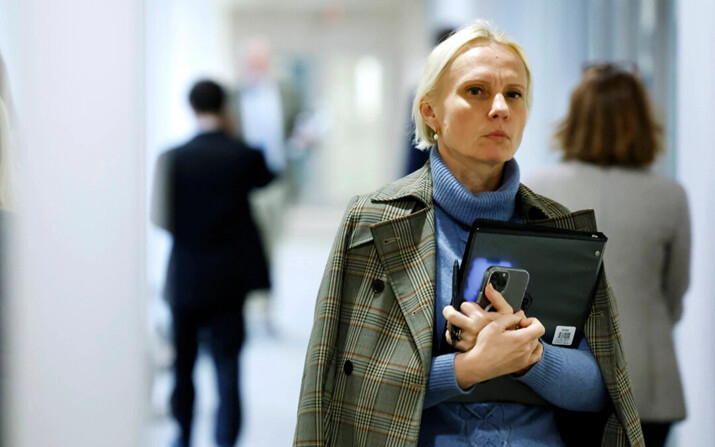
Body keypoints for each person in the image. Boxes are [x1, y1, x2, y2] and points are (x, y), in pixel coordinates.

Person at [294, 20, 644, 447]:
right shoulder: (374, 222)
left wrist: (526, 355)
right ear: (430, 111)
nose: (500, 108)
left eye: (514, 94)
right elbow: (340, 386)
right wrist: (468, 368)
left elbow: (599, 386)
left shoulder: (559, 226)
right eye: (476, 91)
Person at [525, 63, 690, 447]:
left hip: (563, 376)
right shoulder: (670, 195)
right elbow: (674, 297)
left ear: (576, 117)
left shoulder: (538, 186)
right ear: (643, 121)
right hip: (648, 381)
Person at [151, 79, 274, 447]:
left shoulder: (172, 157)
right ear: (224, 108)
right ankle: (225, 441)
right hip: (228, 279)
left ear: (190, 107)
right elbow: (268, 177)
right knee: (227, 367)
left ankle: (183, 434)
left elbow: (160, 217)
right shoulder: (243, 154)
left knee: (183, 365)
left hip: (185, 277)